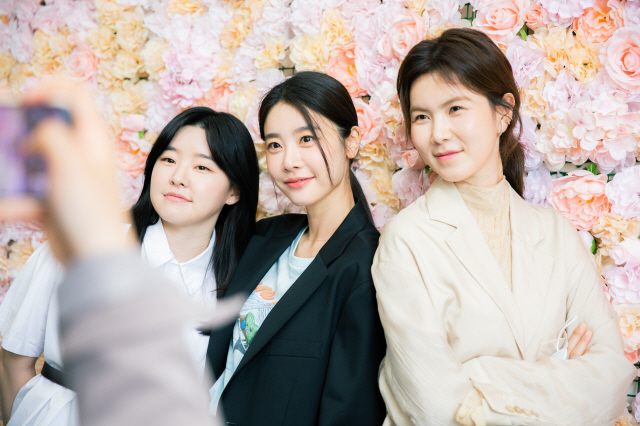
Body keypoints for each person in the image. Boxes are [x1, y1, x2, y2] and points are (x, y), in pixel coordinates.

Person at [371, 28, 635, 426]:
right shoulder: (406, 239)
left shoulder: (555, 233)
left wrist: (481, 377)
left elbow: (611, 376)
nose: (438, 134)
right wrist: (558, 372)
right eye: (422, 116)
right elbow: (436, 407)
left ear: (503, 113)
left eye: (455, 108)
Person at [0, 104, 259, 425]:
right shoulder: (80, 244)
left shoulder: (238, 284)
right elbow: (14, 359)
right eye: (168, 160)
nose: (178, 177)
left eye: (202, 167)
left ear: (234, 191)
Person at [206, 71, 387, 425]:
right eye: (275, 145)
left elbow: (348, 412)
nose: (288, 161)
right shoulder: (264, 237)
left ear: (351, 142)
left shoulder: (364, 268)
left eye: (307, 139)